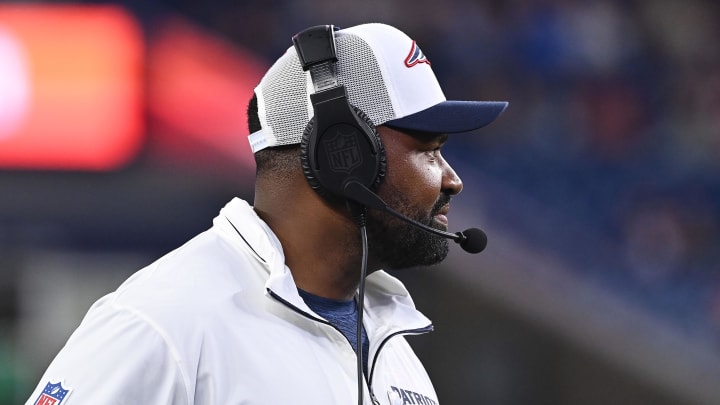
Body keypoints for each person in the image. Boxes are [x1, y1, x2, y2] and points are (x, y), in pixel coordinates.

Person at [26, 23, 507, 405]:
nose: (452, 179)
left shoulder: (393, 349)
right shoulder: (164, 322)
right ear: (345, 155)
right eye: (429, 150)